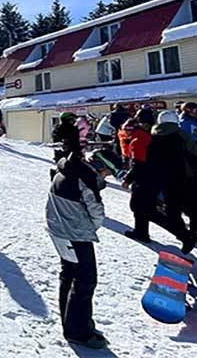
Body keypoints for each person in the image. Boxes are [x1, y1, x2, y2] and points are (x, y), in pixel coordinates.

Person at [45, 148, 120, 349]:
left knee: (69, 274)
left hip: (59, 230)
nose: (106, 177)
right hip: (75, 234)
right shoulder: (85, 178)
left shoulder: (66, 169)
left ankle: (71, 324)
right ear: (101, 166)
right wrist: (90, 228)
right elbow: (96, 212)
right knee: (85, 281)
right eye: (107, 173)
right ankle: (79, 332)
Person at [143, 111, 197, 251]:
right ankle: (196, 231)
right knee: (194, 205)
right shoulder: (182, 135)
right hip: (185, 175)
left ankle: (182, 232)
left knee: (172, 208)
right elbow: (193, 153)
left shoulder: (153, 136)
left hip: (164, 176)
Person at [119, 109, 160, 243]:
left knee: (138, 206)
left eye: (126, 131)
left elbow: (138, 163)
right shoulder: (145, 135)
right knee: (142, 207)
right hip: (152, 175)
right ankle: (141, 231)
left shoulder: (137, 140)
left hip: (144, 178)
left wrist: (128, 179)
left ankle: (142, 233)